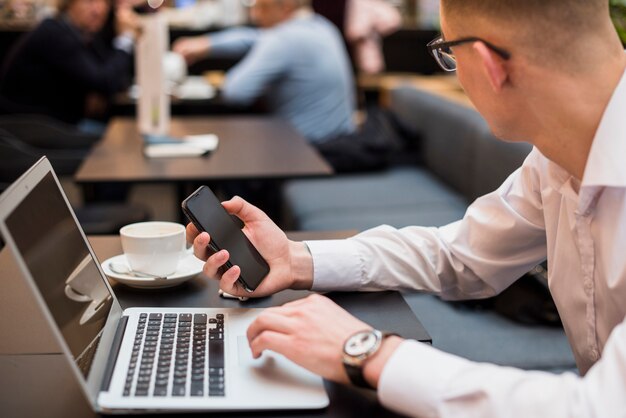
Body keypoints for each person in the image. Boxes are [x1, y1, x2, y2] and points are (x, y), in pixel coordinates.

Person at [187, 0, 626, 416]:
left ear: (489, 65)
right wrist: (296, 259)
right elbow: (459, 256)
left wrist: (367, 352)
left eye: (448, 52)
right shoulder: (556, 155)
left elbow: (596, 407)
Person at [172, 0, 356, 145]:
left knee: (229, 152)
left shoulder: (281, 39)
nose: (255, 15)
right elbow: (252, 38)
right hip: (343, 142)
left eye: (262, 7)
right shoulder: (322, 26)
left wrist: (222, 79)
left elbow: (235, 92)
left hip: (308, 150)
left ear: (286, 7)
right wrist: (208, 44)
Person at [0, 0, 139, 133]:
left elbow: (112, 80)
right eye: (89, 1)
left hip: (57, 126)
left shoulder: (82, 34)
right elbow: (104, 81)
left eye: (105, 2)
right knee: (119, 141)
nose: (99, 9)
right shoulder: (54, 32)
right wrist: (125, 39)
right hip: (29, 132)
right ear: (69, 4)